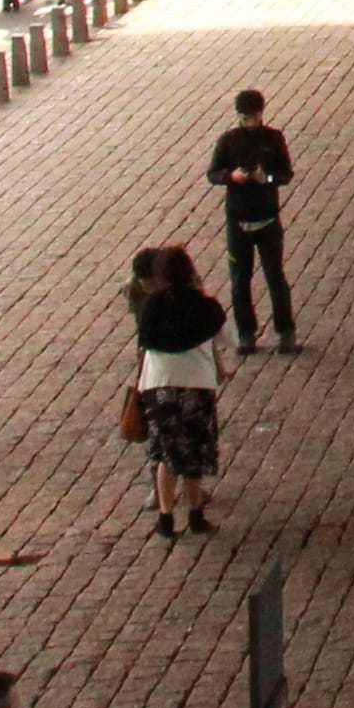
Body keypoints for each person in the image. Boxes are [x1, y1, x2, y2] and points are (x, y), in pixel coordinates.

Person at [128, 247, 229, 539]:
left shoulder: (151, 307)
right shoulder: (204, 306)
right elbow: (225, 335)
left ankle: (166, 517)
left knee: (166, 452)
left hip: (159, 387)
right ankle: (196, 515)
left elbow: (144, 344)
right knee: (194, 450)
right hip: (196, 386)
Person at [204, 89, 301, 350]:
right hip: (238, 219)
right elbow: (213, 173)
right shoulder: (228, 141)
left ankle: (285, 331)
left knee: (275, 277)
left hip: (267, 217)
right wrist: (230, 176)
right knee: (240, 279)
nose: (251, 121)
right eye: (246, 117)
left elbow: (285, 174)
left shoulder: (273, 139)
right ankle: (246, 333)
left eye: (255, 116)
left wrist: (265, 178)